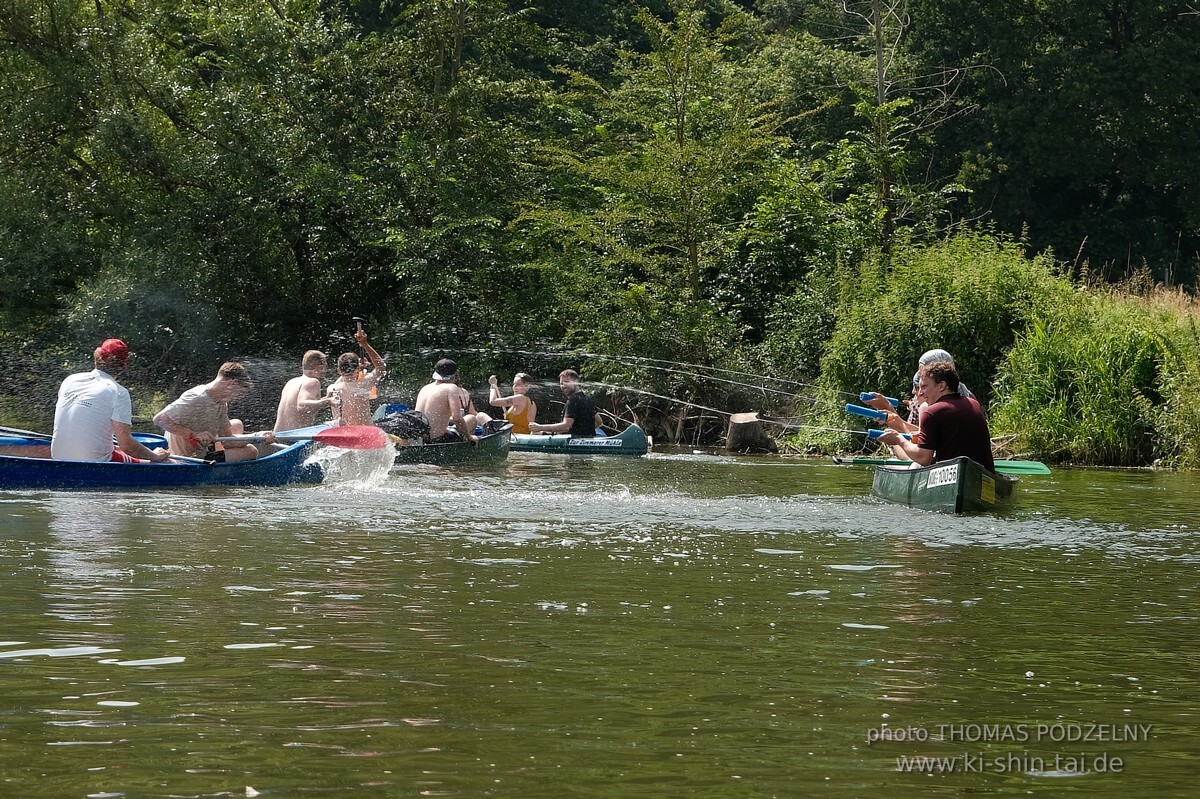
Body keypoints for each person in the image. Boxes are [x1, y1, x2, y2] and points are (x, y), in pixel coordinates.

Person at [50, 339, 170, 463]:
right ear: (123, 365)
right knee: (155, 461)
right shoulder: (118, 392)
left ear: (97, 357)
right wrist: (154, 455)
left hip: (58, 459)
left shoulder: (70, 380)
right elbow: (127, 445)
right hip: (97, 463)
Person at [877, 360, 995, 472]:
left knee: (897, 464)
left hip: (951, 475)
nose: (920, 393)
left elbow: (923, 458)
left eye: (924, 387)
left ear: (942, 386)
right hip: (983, 474)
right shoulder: (973, 403)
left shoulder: (932, 412)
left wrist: (899, 439)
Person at [153, 362, 261, 462]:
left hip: (203, 450)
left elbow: (228, 440)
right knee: (251, 451)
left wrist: (258, 437)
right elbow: (159, 419)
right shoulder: (197, 398)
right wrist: (193, 434)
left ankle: (222, 465)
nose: (236, 397)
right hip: (187, 459)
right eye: (238, 393)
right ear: (232, 383)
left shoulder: (220, 402)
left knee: (236, 424)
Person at [414, 358, 486, 444]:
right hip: (438, 440)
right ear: (455, 375)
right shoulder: (451, 388)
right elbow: (457, 418)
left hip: (420, 439)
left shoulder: (425, 388)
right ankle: (468, 449)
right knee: (471, 419)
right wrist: (469, 436)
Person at [326, 328, 387, 426]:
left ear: (339, 371)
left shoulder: (332, 389)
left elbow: (343, 381)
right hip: (364, 434)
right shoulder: (364, 384)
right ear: (358, 369)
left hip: (342, 436)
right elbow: (381, 367)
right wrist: (365, 344)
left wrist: (357, 368)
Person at [274, 350, 337, 432]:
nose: (326, 370)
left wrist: (324, 399)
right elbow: (302, 406)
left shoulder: (291, 382)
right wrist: (328, 401)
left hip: (278, 436)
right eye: (325, 366)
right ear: (319, 367)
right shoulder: (312, 381)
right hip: (294, 437)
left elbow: (301, 405)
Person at [529, 369, 596, 438]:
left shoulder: (573, 401)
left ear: (576, 382)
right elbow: (598, 422)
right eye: (561, 383)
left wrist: (540, 427)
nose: (563, 386)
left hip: (572, 441)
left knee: (535, 433)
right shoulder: (587, 399)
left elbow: (566, 426)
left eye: (567, 382)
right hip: (589, 440)